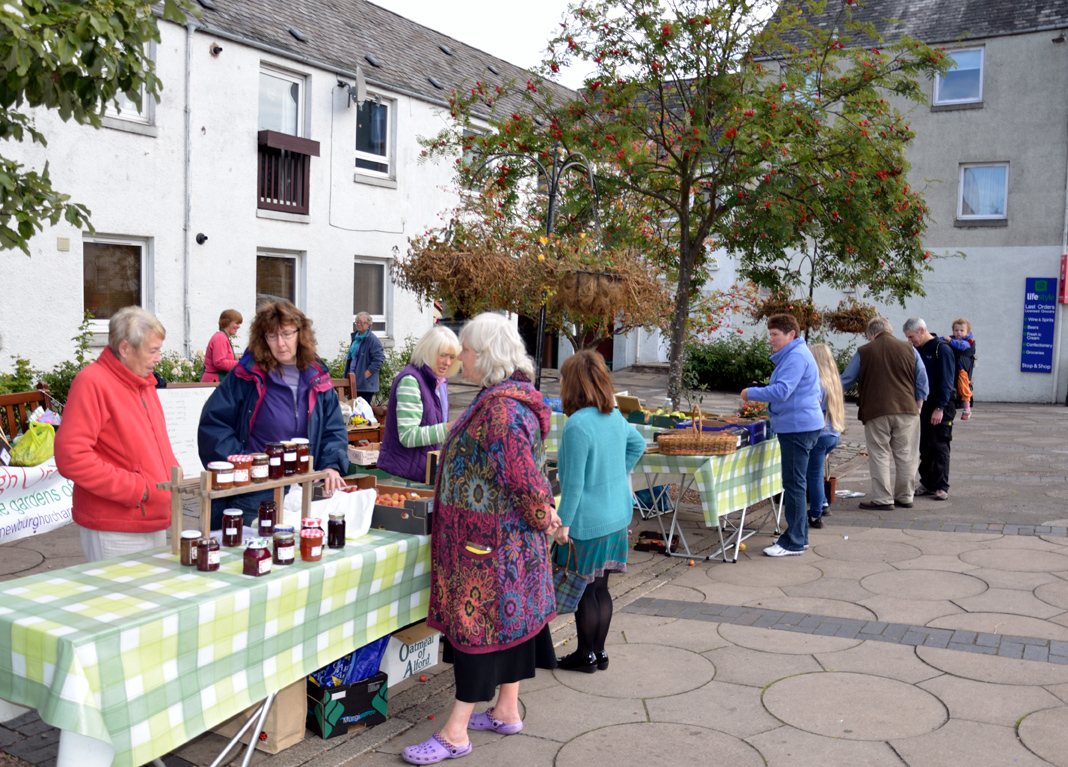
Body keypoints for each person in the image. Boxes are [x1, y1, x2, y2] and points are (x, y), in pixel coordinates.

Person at [404, 313, 560, 765]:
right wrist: (541, 513)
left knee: (478, 637)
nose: (459, 358)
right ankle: (506, 710)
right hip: (500, 543)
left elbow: (522, 476)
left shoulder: (500, 408)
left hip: (487, 548)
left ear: (486, 355)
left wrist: (543, 514)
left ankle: (454, 733)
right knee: (510, 628)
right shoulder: (503, 400)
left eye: (466, 350)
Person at [197, 301, 348, 528]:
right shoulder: (247, 374)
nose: (280, 343)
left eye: (287, 334)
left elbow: (333, 428)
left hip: (305, 484)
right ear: (262, 339)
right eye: (271, 336)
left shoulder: (317, 374)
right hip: (256, 491)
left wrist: (331, 464)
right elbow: (213, 425)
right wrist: (243, 465)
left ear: (300, 334)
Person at [55, 307, 178, 562]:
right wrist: (138, 489)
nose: (158, 359)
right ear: (125, 349)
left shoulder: (144, 383)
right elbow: (71, 456)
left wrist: (172, 474)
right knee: (121, 602)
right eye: (152, 351)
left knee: (151, 601)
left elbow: (153, 444)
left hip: (151, 516)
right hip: (115, 524)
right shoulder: (92, 382)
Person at [553, 350, 645, 673]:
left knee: (584, 590)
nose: (559, 382)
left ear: (573, 384)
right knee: (601, 588)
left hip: (588, 521)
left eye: (562, 377)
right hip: (617, 514)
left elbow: (574, 484)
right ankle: (599, 652)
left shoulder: (577, 425)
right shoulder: (613, 415)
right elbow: (639, 445)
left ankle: (585, 655)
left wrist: (562, 524)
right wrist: (614, 475)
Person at [741, 314, 823, 557]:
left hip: (798, 428)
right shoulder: (796, 354)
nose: (771, 339)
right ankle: (799, 537)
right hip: (798, 425)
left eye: (776, 335)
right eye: (770, 334)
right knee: (796, 482)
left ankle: (794, 542)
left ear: (791, 334)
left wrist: (750, 393)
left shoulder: (796, 356)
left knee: (794, 484)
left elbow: (782, 390)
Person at [840, 317, 929, 511]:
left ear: (872, 334)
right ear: (889, 330)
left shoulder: (864, 351)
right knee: (907, 454)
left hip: (876, 410)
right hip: (907, 409)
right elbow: (922, 378)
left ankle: (882, 499)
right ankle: (905, 496)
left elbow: (846, 379)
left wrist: (825, 395)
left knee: (879, 453)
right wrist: (919, 402)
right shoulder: (909, 349)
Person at [377, 325, 460, 484]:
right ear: (428, 351)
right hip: (407, 478)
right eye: (443, 355)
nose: (448, 362)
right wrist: (449, 428)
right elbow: (407, 436)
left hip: (427, 475)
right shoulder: (411, 381)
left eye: (452, 357)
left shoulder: (439, 383)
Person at [904, 317, 956, 501]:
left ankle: (941, 486)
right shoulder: (917, 350)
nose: (910, 341)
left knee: (940, 444)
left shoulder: (941, 349)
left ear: (921, 330)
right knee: (924, 445)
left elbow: (947, 381)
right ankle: (927, 483)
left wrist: (940, 407)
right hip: (922, 405)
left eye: (911, 336)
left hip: (940, 405)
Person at [806, 344, 845, 530]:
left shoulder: (817, 383)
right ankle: (822, 503)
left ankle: (816, 514)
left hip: (819, 435)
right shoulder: (833, 381)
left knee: (813, 475)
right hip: (833, 433)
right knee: (816, 471)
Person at [345, 312, 386, 403]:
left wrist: (363, 376)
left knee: (362, 414)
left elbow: (378, 360)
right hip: (353, 382)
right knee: (353, 412)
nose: (358, 324)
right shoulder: (356, 339)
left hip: (365, 386)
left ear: (368, 324)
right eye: (357, 322)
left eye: (361, 322)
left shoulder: (372, 340)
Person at [943, 317, 976, 420]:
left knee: (963, 387)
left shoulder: (967, 342)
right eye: (956, 330)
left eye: (962, 330)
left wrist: (949, 341)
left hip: (962, 370)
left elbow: (960, 346)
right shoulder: (952, 339)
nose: (959, 332)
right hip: (952, 369)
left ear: (967, 332)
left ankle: (967, 409)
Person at [201, 309, 243, 382]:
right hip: (214, 381)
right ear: (227, 323)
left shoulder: (222, 337)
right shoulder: (220, 338)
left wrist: (235, 357)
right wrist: (241, 364)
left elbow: (222, 356)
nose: (239, 326)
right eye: (236, 323)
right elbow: (219, 362)